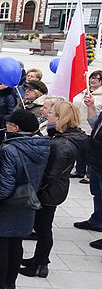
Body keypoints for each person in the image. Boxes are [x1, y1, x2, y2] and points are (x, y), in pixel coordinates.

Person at [0, 109, 50, 289]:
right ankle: (11, 282)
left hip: (8, 203)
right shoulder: (43, 146)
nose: (6, 126)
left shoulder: (10, 149)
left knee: (0, 244)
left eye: (9, 124)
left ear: (15, 128)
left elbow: (4, 185)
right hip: (28, 200)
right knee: (16, 242)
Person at [20, 102, 86, 278]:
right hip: (54, 189)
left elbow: (50, 174)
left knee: (43, 228)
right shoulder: (65, 137)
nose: (48, 115)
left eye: (52, 113)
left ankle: (41, 264)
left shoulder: (62, 144)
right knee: (43, 227)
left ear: (60, 118)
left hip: (49, 192)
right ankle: (38, 258)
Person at [74, 92, 102, 249]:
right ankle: (97, 221)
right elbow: (94, 122)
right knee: (97, 195)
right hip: (96, 163)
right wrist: (90, 106)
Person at [72, 71, 102, 184]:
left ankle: (89, 174)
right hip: (79, 125)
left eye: (96, 78)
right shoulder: (83, 91)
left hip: (91, 126)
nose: (92, 80)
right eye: (91, 78)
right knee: (80, 151)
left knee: (90, 152)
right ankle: (79, 170)